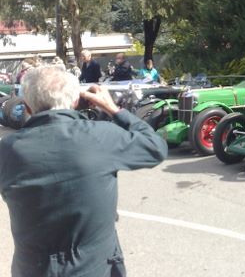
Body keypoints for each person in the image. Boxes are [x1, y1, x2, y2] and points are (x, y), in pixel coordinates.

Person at [0, 66, 167, 276]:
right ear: (75, 101)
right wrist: (114, 110)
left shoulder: (7, 150)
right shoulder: (101, 137)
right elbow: (155, 147)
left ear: (27, 107)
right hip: (94, 267)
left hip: (34, 268)